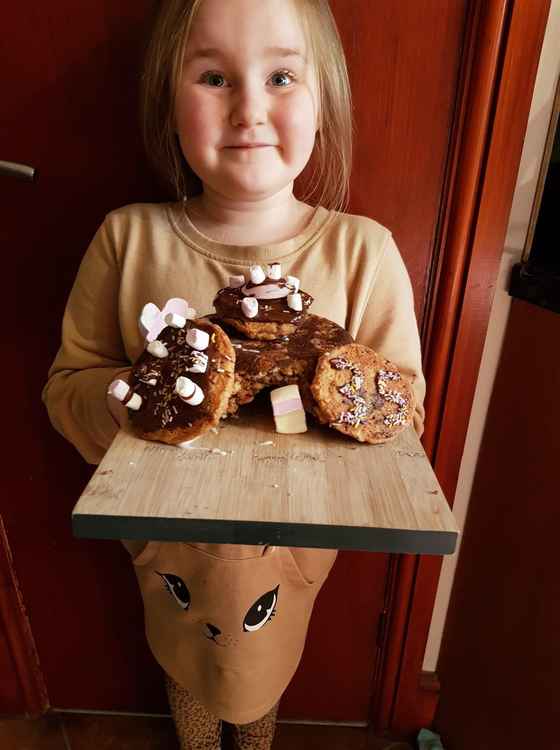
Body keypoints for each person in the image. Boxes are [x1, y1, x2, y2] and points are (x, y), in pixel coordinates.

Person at [42, 0, 426, 748]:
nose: (250, 107)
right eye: (215, 76)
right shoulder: (127, 239)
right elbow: (68, 387)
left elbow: (402, 409)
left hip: (291, 551)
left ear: (326, 102)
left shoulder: (364, 252)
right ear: (169, 98)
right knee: (188, 671)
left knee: (258, 680)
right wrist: (125, 401)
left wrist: (342, 403)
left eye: (281, 75)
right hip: (168, 554)